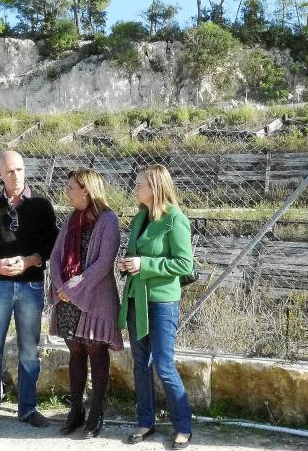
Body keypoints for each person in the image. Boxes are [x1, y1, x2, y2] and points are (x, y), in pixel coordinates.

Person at [0, 150, 58, 440]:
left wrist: (31, 260)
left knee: (29, 350)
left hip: (30, 286)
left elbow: (52, 244)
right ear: (0, 174)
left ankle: (28, 408)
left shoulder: (41, 205)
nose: (16, 175)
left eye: (19, 169)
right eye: (9, 171)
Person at [118, 164, 194, 450]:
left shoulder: (175, 219)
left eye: (140, 185)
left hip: (163, 302)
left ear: (155, 187)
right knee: (140, 363)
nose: (136, 189)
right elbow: (136, 254)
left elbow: (185, 264)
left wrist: (145, 264)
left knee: (163, 363)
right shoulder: (140, 217)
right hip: (136, 298)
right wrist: (128, 264)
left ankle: (183, 426)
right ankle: (145, 421)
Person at [49, 169, 123, 439]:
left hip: (95, 299)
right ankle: (76, 410)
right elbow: (55, 256)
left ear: (86, 190)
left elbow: (104, 262)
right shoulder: (71, 218)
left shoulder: (108, 220)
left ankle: (96, 413)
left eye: (71, 187)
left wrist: (73, 287)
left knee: (96, 352)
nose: (67, 192)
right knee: (76, 351)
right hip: (68, 299)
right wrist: (60, 286)